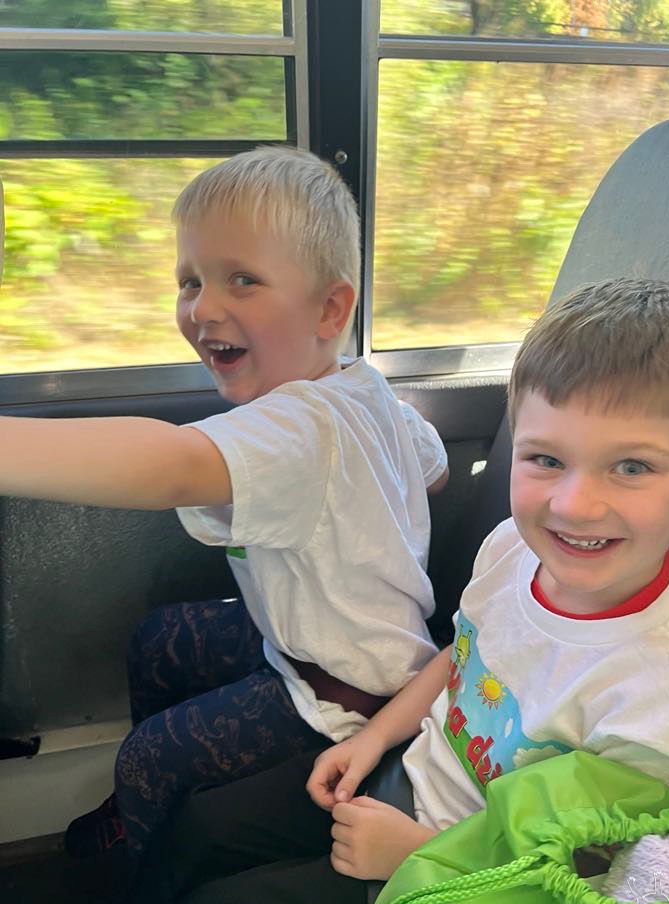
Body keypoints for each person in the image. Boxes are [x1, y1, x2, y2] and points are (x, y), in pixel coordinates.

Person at [27, 279, 669, 904]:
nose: (573, 503)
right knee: (201, 829)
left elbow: (600, 896)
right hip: (400, 779)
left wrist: (416, 855)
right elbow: (461, 656)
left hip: (447, 890)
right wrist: (375, 737)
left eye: (631, 467)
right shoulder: (516, 550)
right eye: (545, 459)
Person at [7, 145, 449, 859]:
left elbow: (172, 466)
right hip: (317, 641)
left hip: (340, 694)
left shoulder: (302, 426)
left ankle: (134, 902)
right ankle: (170, 816)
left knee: (146, 759)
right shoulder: (361, 385)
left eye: (242, 280)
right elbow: (434, 470)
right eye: (190, 281)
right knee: (159, 641)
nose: (203, 308)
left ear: (330, 308)